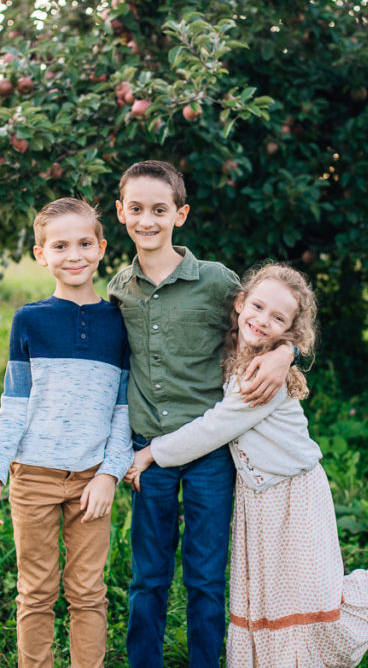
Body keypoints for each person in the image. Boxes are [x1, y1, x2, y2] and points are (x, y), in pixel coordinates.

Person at [125, 263, 368, 667]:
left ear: (290, 332)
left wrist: (150, 452)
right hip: (258, 498)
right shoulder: (243, 352)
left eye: (278, 318)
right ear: (240, 303)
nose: (263, 320)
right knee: (267, 598)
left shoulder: (264, 375)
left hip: (292, 496)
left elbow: (212, 428)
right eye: (258, 307)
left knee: (316, 602)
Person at [107, 160, 294, 667]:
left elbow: (268, 322)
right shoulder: (119, 290)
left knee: (207, 574)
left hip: (212, 453)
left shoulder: (215, 283)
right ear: (122, 213)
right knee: (148, 574)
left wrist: (286, 353)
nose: (148, 220)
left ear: (180, 215)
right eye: (138, 209)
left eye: (160, 210)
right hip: (150, 450)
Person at [0, 197, 133, 668]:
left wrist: (109, 473)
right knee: (36, 590)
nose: (74, 255)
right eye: (60, 245)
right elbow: (14, 402)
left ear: (102, 248)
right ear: (41, 254)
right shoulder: (30, 320)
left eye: (85, 243)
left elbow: (124, 409)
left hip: (90, 479)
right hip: (33, 476)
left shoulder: (118, 323)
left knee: (88, 591)